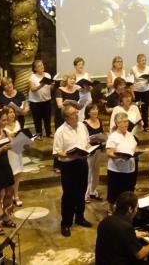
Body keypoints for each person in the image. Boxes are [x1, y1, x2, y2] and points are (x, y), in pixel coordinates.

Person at [52, 104, 93, 237]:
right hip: (69, 166)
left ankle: (80, 218)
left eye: (76, 112)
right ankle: (66, 223)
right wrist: (70, 155)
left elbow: (86, 142)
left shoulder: (82, 126)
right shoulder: (60, 131)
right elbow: (56, 153)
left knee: (82, 192)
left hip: (82, 163)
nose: (77, 115)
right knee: (69, 195)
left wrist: (89, 148)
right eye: (74, 113)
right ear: (66, 117)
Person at [95, 191, 149, 265]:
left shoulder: (105, 221)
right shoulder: (126, 228)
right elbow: (140, 255)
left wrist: (133, 235)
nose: (136, 211)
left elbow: (116, 237)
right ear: (130, 209)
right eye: (136, 208)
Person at [106, 112, 138, 214]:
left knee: (128, 191)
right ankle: (112, 210)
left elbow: (135, 147)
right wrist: (120, 156)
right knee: (115, 192)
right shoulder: (113, 136)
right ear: (117, 123)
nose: (126, 124)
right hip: (117, 170)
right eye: (124, 122)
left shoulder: (130, 135)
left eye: (127, 121)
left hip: (130, 168)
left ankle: (125, 210)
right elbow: (109, 152)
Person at [84, 104, 104, 203]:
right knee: (88, 172)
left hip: (98, 149)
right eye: (93, 109)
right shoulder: (85, 123)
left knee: (96, 171)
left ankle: (93, 191)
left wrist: (103, 138)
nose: (95, 111)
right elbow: (84, 138)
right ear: (88, 112)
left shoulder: (99, 121)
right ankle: (85, 195)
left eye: (96, 108)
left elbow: (102, 133)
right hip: (89, 151)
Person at [28, 60, 53, 139]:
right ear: (35, 69)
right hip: (35, 102)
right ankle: (39, 134)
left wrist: (52, 84)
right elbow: (32, 89)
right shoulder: (32, 77)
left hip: (47, 100)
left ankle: (49, 133)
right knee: (37, 119)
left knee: (47, 118)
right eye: (39, 66)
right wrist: (41, 85)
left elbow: (50, 88)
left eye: (42, 65)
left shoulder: (48, 75)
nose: (41, 66)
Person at [4, 106, 24, 207]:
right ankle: (8, 196)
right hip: (8, 153)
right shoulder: (2, 126)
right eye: (9, 112)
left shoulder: (17, 123)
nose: (12, 114)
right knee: (9, 175)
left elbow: (21, 137)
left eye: (13, 112)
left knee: (17, 174)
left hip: (17, 150)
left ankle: (16, 196)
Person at [132, 54, 149, 131]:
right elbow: (131, 81)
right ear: (138, 61)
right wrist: (132, 93)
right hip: (136, 90)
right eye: (142, 60)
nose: (144, 62)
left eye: (145, 60)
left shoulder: (148, 68)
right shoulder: (133, 68)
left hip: (146, 90)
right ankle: (136, 125)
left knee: (145, 108)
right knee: (136, 108)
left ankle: (145, 125)